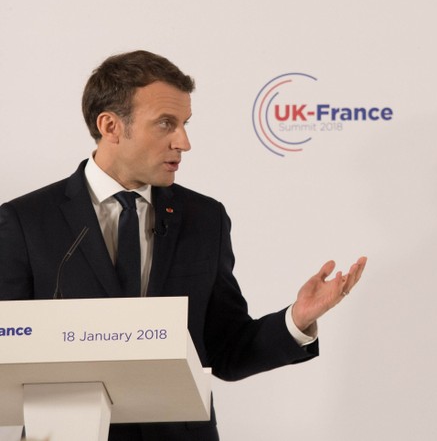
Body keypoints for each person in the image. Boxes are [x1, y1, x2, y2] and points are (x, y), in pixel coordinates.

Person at [0, 50, 367, 441]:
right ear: (110, 126)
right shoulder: (25, 222)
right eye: (165, 124)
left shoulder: (204, 218)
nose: (184, 142)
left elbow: (225, 349)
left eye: (185, 123)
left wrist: (296, 319)